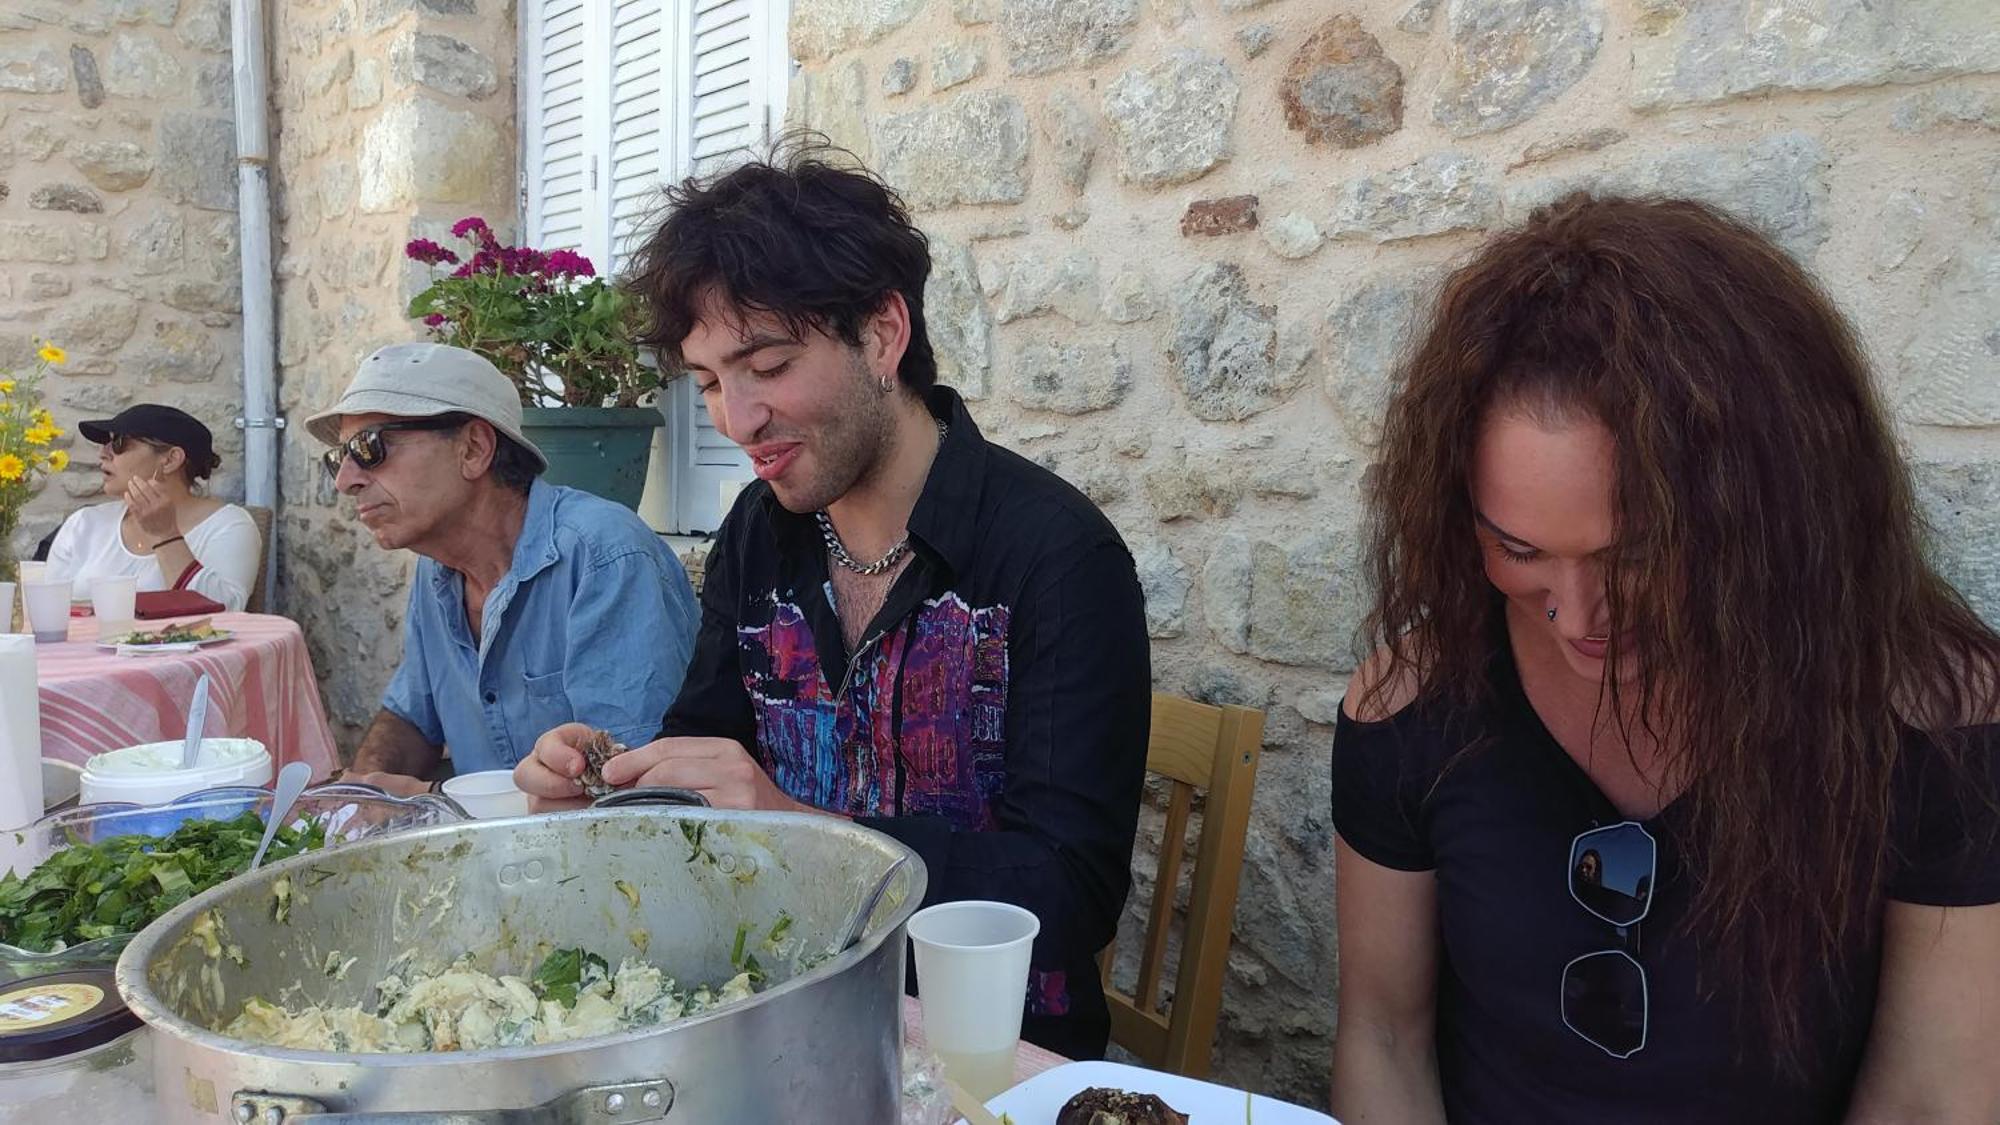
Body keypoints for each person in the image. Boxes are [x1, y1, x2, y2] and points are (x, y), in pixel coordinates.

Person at [1328, 194, 2000, 1122]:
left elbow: (1933, 1096)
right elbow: (1383, 1038)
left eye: (1636, 556)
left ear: (1769, 511)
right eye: (1518, 551)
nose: (1576, 616)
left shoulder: (1936, 722)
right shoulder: (1413, 704)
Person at [514, 142, 1152, 1060]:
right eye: (708, 384)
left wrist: (793, 828)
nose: (737, 421)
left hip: (988, 1053)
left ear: (882, 334)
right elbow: (704, 755)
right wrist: (609, 793)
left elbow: (1066, 892)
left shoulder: (1056, 556)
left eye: (766, 366)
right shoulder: (758, 533)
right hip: (768, 1018)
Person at [305, 342, 700, 793]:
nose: (345, 480)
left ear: (473, 448)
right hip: (486, 853)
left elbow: (626, 791)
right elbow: (413, 717)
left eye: (370, 447)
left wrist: (434, 801)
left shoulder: (605, 556)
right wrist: (362, 791)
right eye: (339, 457)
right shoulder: (438, 572)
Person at [47, 404, 261, 611]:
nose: (103, 453)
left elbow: (224, 613)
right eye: (106, 443)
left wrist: (166, 535)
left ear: (170, 460)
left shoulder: (228, 525)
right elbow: (48, 608)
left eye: (119, 443)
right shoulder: (85, 523)